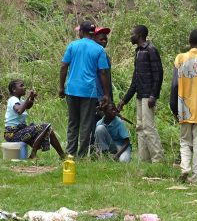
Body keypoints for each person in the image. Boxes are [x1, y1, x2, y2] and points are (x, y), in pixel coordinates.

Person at [169, 29, 197, 183]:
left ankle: (185, 167)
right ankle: (195, 178)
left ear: (189, 42)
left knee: (184, 141)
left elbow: (175, 85)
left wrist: (173, 106)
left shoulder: (180, 58)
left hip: (184, 107)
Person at [59, 20, 110, 157]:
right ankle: (81, 155)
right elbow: (103, 72)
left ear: (81, 32)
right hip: (89, 92)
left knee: (73, 122)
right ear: (92, 33)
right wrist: (106, 94)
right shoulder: (99, 49)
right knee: (86, 124)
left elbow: (64, 66)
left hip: (72, 90)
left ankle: (70, 153)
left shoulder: (73, 45)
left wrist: (61, 87)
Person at [117, 25, 164, 163]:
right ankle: (144, 159)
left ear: (139, 35)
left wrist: (153, 95)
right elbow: (135, 81)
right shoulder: (138, 51)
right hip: (140, 95)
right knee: (140, 127)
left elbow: (158, 74)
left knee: (148, 127)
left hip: (148, 96)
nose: (131, 36)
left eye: (132, 34)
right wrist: (124, 101)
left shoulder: (151, 50)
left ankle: (158, 159)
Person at [4, 79, 65, 159]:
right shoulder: (13, 99)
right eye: (21, 86)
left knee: (48, 129)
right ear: (14, 89)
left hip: (19, 131)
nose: (24, 87)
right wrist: (28, 97)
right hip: (12, 133)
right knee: (45, 126)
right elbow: (19, 110)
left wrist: (31, 99)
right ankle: (33, 154)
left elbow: (27, 106)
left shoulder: (20, 100)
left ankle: (63, 156)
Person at [93, 27, 113, 104]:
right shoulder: (97, 54)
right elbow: (103, 73)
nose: (104, 41)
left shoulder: (104, 54)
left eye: (105, 39)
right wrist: (105, 96)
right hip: (99, 96)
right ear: (94, 39)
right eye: (101, 39)